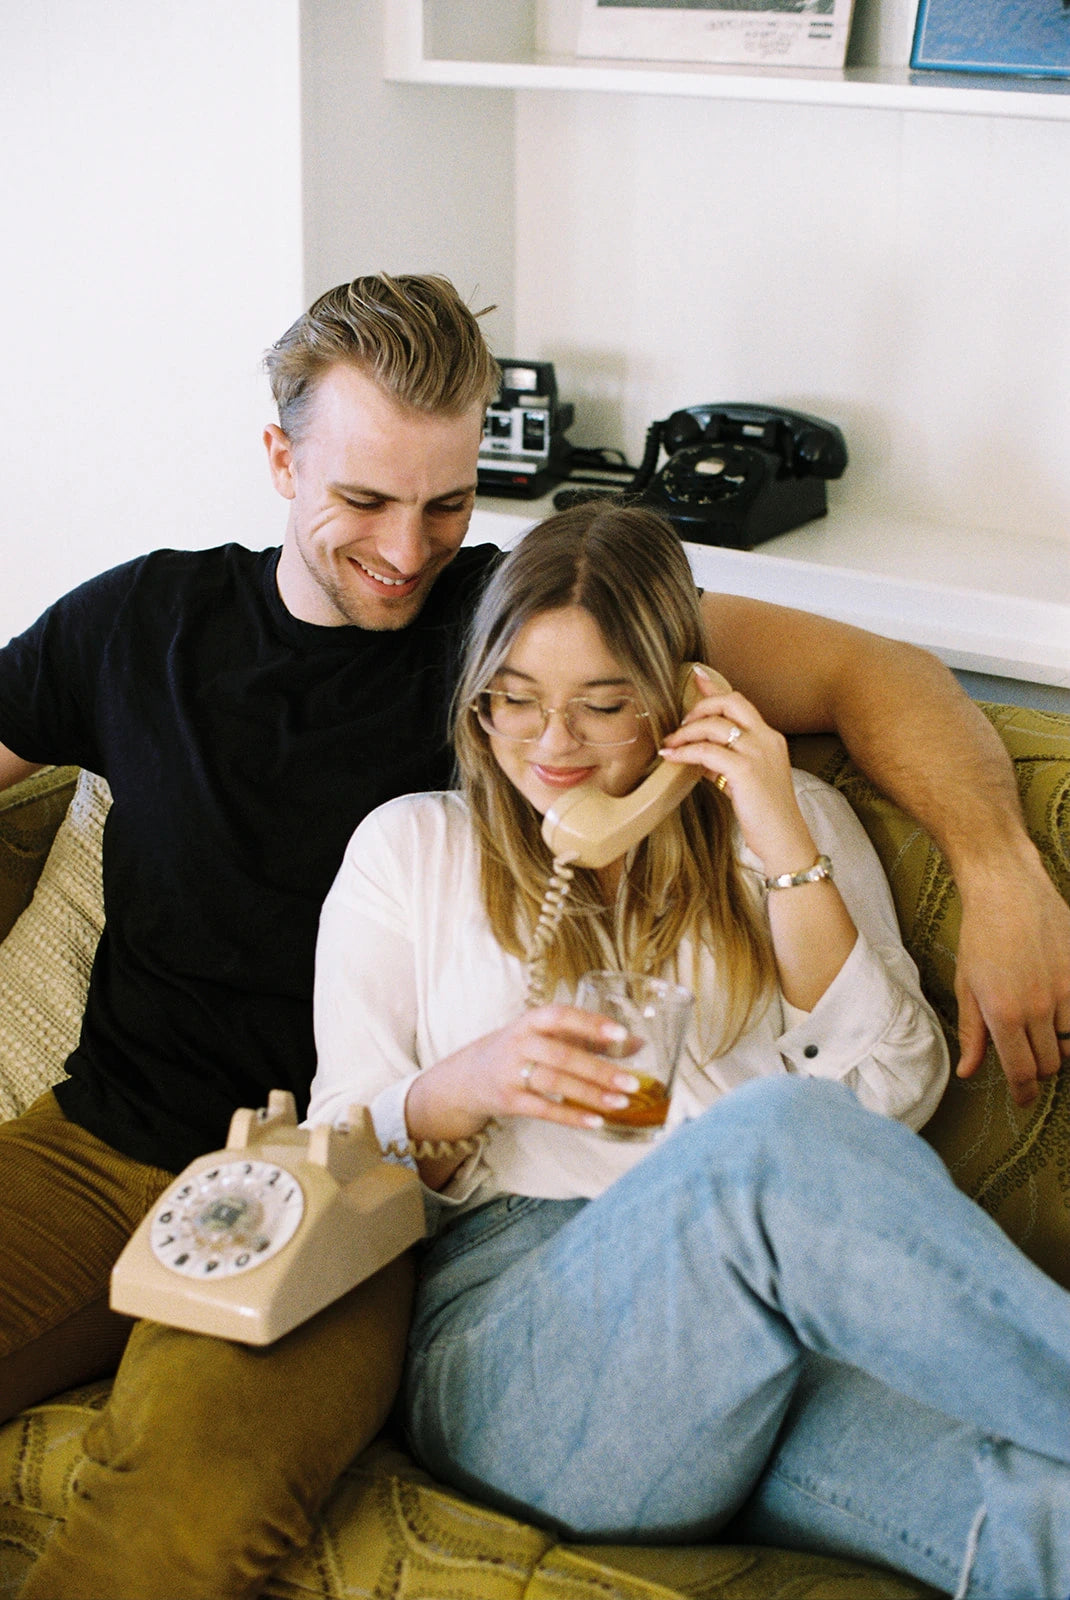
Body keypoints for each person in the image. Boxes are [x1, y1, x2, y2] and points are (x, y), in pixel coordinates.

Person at [0, 271, 1064, 1599]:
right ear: (280, 460)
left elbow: (869, 675)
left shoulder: (519, 616)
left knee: (174, 1520)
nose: (406, 546)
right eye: (364, 500)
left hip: (382, 1216)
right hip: (144, 1144)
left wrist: (995, 867)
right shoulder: (160, 638)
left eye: (444, 502)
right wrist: (468, 1084)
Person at [307, 502, 1070, 1599]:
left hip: (756, 1357)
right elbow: (334, 1148)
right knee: (768, 1136)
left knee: (1038, 1522)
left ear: (678, 702)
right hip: (516, 1343)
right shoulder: (409, 850)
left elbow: (891, 1090)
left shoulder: (784, 821)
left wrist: (774, 832)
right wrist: (456, 1087)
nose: (550, 745)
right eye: (511, 703)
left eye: (601, 705)